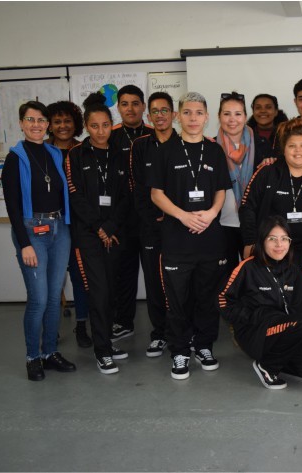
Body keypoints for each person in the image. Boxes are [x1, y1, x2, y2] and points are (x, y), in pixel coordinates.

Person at [147, 92, 231, 380]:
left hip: (209, 237)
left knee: (207, 297)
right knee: (178, 300)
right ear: (177, 116)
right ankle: (180, 351)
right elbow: (156, 194)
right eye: (187, 112)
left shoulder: (215, 151)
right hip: (177, 238)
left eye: (198, 113)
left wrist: (210, 214)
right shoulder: (164, 151)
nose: (193, 118)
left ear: (207, 118)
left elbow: (221, 190)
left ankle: (204, 345)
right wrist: (183, 215)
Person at [1, 100, 75, 381]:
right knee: (39, 299)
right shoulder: (14, 159)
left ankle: (50, 353)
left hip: (59, 229)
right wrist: (24, 244)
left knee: (55, 297)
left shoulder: (55, 154)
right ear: (21, 123)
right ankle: (33, 356)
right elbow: (13, 206)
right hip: (31, 232)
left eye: (41, 120)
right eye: (30, 120)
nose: (36, 125)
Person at [240, 118, 302, 343]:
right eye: (292, 146)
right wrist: (251, 242)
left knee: (298, 296)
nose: (297, 151)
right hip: (271, 247)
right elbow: (247, 207)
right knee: (269, 295)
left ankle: (295, 338)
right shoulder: (268, 173)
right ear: (283, 149)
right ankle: (268, 336)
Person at [219, 215, 302, 389]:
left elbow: (299, 308)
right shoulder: (247, 267)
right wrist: (251, 316)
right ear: (262, 241)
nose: (279, 245)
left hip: (285, 330)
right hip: (254, 331)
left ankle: (271, 359)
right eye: (272, 239)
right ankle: (267, 367)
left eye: (284, 239)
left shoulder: (295, 271)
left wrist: (294, 334)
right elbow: (223, 300)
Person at [66, 92, 130, 374]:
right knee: (99, 293)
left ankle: (108, 341)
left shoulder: (120, 154)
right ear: (86, 127)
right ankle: (102, 351)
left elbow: (127, 195)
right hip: (89, 235)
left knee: (113, 291)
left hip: (114, 232)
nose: (101, 131)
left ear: (111, 125)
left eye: (105, 125)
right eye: (95, 126)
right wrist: (99, 227)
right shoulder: (76, 155)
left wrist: (112, 226)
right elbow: (75, 195)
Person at [130, 91, 178, 357]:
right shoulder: (141, 146)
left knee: (180, 281)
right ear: (148, 116)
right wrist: (153, 218)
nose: (160, 115)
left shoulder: (184, 143)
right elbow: (138, 187)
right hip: (151, 226)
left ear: (173, 115)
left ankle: (182, 330)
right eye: (155, 111)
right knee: (154, 280)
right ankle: (159, 333)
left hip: (180, 225)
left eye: (164, 110)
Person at [109, 84, 153, 343]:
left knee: (155, 274)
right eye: (125, 104)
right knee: (123, 274)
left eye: (135, 103)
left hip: (151, 216)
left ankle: (162, 325)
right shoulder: (110, 136)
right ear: (118, 108)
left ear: (143, 106)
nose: (130, 108)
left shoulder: (153, 134)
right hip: (122, 219)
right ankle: (124, 322)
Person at [46, 100, 91, 348]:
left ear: (75, 124)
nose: (63, 126)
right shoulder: (40, 152)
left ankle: (82, 325)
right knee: (51, 280)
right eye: (57, 121)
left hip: (79, 224)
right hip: (51, 225)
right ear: (50, 125)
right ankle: (50, 330)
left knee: (80, 276)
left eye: (67, 121)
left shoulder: (83, 149)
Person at [216, 91, 272, 274]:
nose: (233, 119)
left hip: (255, 222)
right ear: (219, 117)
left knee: (256, 275)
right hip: (221, 225)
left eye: (238, 114)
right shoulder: (210, 147)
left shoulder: (263, 145)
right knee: (225, 278)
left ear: (246, 117)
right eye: (227, 114)